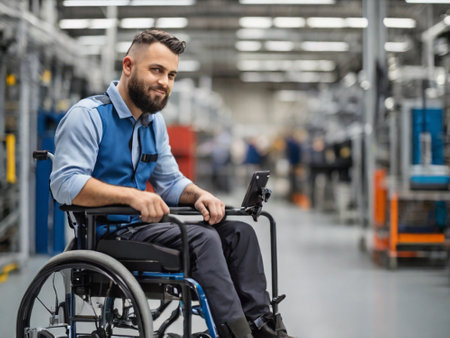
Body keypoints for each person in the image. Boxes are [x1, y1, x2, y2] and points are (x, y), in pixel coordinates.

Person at [50, 29, 292, 338]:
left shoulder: (154, 122)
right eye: (156, 70)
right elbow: (65, 184)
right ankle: (236, 333)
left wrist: (199, 195)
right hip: (105, 234)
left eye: (171, 74)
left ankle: (263, 328)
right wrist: (132, 198)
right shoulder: (88, 117)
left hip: (143, 228)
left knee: (239, 233)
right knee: (203, 239)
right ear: (128, 66)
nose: (164, 82)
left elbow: (169, 181)